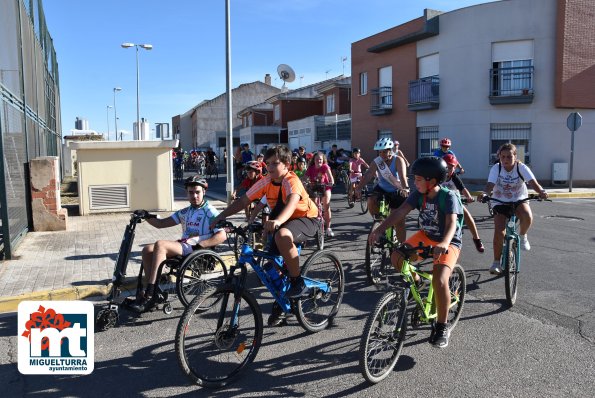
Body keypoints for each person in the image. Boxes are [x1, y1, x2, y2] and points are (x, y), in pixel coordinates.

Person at [211, 145, 320, 326]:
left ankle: (297, 281)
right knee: (270, 266)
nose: (270, 167)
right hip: (284, 222)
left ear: (286, 164)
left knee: (281, 235)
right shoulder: (267, 181)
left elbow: (292, 204)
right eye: (267, 163)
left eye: (275, 163)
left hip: (307, 218)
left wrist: (277, 222)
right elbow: (244, 200)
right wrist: (221, 216)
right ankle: (284, 303)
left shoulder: (291, 180)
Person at [369, 156, 464, 348]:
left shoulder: (448, 196)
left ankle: (442, 326)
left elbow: (452, 223)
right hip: (426, 235)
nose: (414, 182)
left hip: (448, 240)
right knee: (396, 256)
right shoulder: (418, 194)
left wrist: (445, 242)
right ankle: (417, 281)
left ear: (432, 181)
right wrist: (379, 229)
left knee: (439, 280)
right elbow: (400, 212)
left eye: (418, 179)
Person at [130, 176, 226, 313]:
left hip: (196, 249)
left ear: (204, 192)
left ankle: (150, 294)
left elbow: (222, 235)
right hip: (184, 246)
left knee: (160, 244)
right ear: (186, 193)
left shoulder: (210, 211)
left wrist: (200, 245)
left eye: (197, 192)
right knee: (147, 250)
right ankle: (155, 290)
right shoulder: (185, 212)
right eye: (191, 192)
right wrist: (146, 215)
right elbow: (161, 223)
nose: (194, 196)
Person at [478, 143, 548, 275]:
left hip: (518, 199)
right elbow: (490, 185)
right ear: (499, 157)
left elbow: (533, 182)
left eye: (509, 157)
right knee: (499, 231)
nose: (505, 160)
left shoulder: (521, 167)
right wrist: (485, 193)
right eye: (503, 157)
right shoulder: (496, 168)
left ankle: (522, 236)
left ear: (515, 156)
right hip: (500, 200)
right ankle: (496, 262)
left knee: (527, 215)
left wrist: (542, 192)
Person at [355, 138, 410, 243]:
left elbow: (403, 177)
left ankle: (401, 248)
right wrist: (358, 188)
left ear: (390, 150)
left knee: (399, 222)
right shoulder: (377, 161)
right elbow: (368, 175)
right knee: (371, 199)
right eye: (380, 152)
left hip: (397, 190)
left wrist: (405, 189)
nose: (382, 154)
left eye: (384, 151)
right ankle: (379, 223)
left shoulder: (398, 160)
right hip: (382, 188)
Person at [442, 154, 484, 253]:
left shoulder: (454, 177)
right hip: (440, 201)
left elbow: (462, 188)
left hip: (454, 202)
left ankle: (477, 239)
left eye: (452, 167)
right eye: (447, 167)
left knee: (467, 216)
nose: (449, 169)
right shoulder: (439, 176)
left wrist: (469, 197)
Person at [305, 151, 336, 237]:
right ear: (313, 160)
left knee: (326, 205)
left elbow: (331, 177)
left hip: (325, 187)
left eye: (320, 160)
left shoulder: (325, 167)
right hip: (314, 187)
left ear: (323, 160)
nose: (319, 161)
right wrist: (304, 182)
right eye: (317, 159)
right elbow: (305, 177)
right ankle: (317, 220)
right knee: (313, 205)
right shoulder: (311, 168)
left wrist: (331, 182)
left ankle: (328, 228)